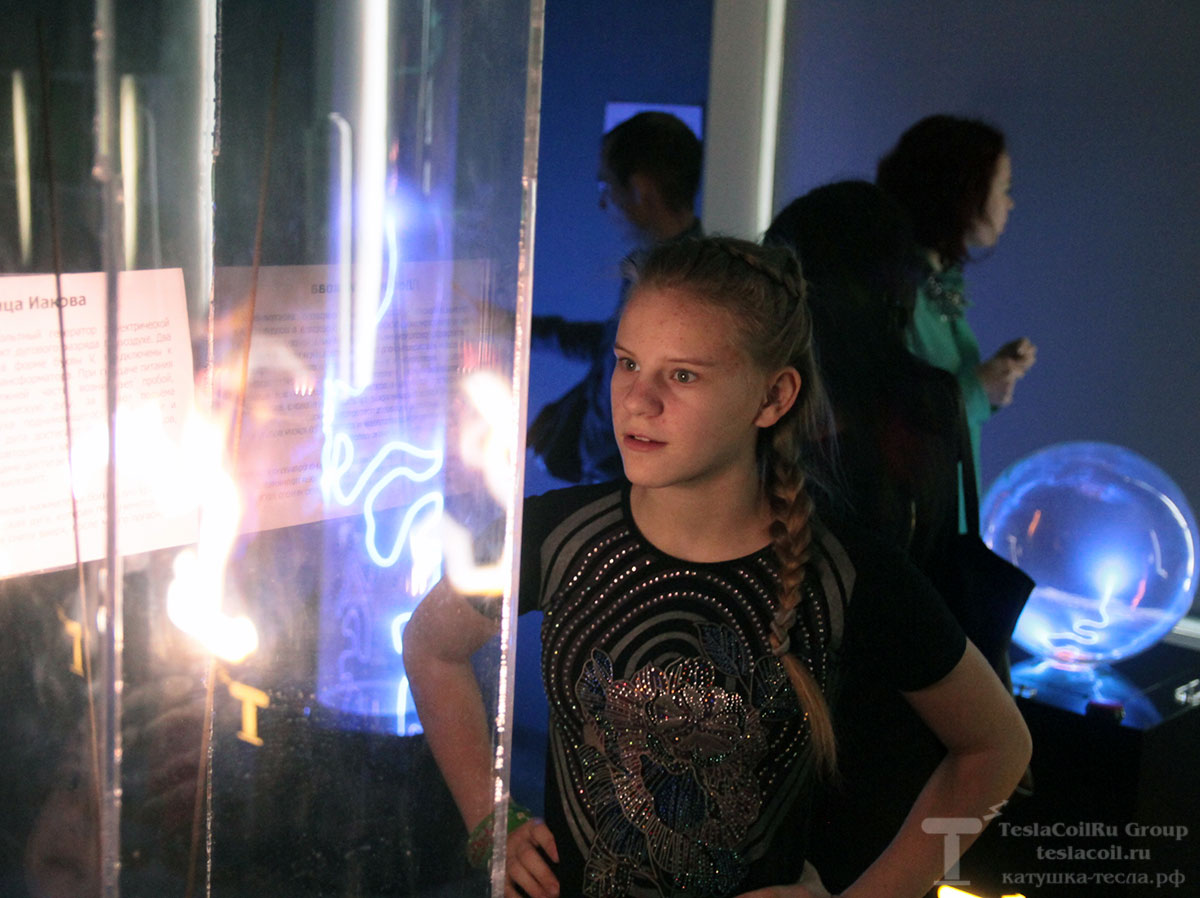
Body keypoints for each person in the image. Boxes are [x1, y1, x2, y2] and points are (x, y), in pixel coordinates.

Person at [405, 236, 1031, 898]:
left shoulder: (847, 573)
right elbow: (430, 647)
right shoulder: (551, 535)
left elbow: (997, 749)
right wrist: (489, 818)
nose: (637, 400)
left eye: (683, 375)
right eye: (627, 363)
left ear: (773, 397)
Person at [765, 181, 989, 891]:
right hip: (906, 702)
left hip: (793, 705)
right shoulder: (927, 396)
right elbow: (939, 542)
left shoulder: (784, 400)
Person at [528, 111, 703, 485]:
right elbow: (611, 348)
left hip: (623, 484)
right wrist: (521, 329)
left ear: (640, 188)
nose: (603, 203)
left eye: (605, 186)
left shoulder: (674, 282)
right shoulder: (669, 268)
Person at [876, 114, 1037, 500]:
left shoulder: (934, 283)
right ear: (965, 192)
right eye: (1004, 187)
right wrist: (979, 388)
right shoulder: (899, 290)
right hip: (914, 516)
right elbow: (890, 416)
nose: (1010, 203)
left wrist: (990, 378)